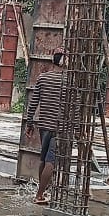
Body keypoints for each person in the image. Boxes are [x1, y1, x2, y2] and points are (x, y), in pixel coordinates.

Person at [24, 49, 67, 205]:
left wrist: (30, 123)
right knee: (51, 161)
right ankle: (40, 194)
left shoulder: (43, 78)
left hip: (44, 126)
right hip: (59, 127)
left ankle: (43, 190)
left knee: (43, 158)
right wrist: (77, 129)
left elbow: (33, 102)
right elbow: (75, 107)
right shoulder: (68, 81)